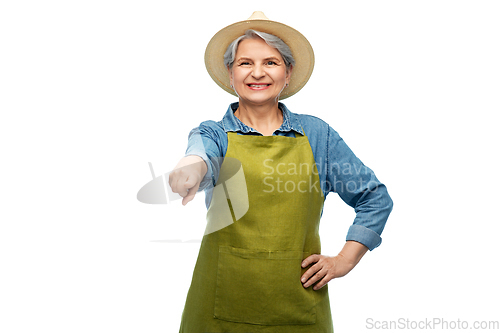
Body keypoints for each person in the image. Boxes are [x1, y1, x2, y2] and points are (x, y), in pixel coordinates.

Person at [169, 11, 393, 333]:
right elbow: (199, 156)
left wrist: (343, 260)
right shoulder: (214, 134)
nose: (257, 72)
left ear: (288, 73)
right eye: (245, 63)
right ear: (230, 74)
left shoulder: (318, 136)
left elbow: (374, 198)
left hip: (299, 309)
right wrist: (189, 169)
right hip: (218, 310)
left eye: (270, 63)